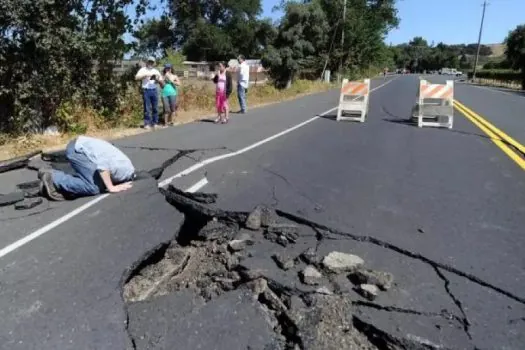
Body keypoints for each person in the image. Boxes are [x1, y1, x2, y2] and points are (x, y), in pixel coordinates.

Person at [39, 136, 135, 200]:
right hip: (77, 150)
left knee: (100, 181)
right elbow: (103, 166)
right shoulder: (119, 167)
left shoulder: (126, 168)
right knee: (94, 188)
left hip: (83, 145)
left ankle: (65, 181)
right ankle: (54, 178)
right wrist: (111, 187)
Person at [135, 57, 162, 129]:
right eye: (149, 61)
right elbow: (136, 77)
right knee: (147, 108)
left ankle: (155, 123)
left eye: (152, 62)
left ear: (154, 63)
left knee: (155, 107)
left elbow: (161, 80)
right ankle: (147, 124)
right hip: (146, 90)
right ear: (147, 62)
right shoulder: (143, 70)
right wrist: (144, 76)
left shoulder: (156, 71)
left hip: (154, 90)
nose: (151, 63)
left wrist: (157, 80)